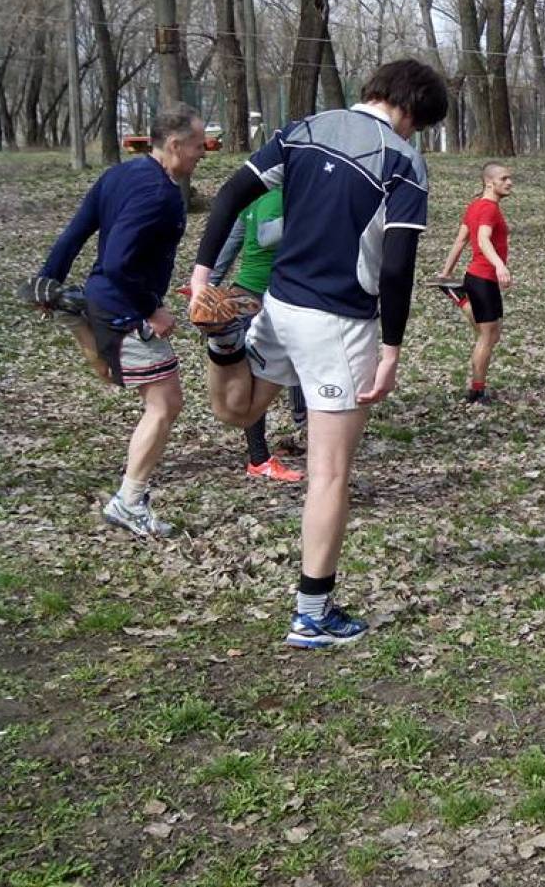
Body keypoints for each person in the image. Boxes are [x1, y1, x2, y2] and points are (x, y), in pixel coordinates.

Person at [187, 58, 448, 648]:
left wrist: (203, 276)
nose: (414, 134)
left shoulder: (302, 129)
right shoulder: (402, 161)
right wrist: (392, 348)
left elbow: (230, 194)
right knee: (329, 474)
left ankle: (225, 344)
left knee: (238, 409)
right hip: (340, 324)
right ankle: (313, 614)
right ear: (410, 110)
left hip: (279, 306)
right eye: (419, 124)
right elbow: (398, 267)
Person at [23, 103, 205, 537]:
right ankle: (129, 502)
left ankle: (75, 315)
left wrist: (47, 280)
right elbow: (120, 262)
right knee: (165, 403)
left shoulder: (120, 174)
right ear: (174, 145)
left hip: (103, 299)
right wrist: (150, 309)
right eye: (199, 145)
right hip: (124, 304)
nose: (203, 153)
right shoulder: (160, 195)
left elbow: (76, 232)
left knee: (123, 376)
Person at [206, 189, 306, 481]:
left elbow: (233, 241)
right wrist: (313, 215)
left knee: (293, 364)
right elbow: (265, 237)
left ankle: (300, 430)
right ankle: (259, 458)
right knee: (258, 376)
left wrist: (209, 283)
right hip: (261, 296)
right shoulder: (276, 194)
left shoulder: (253, 194)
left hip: (266, 294)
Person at [437, 163, 513, 403]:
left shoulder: (474, 206)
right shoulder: (489, 208)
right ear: (489, 182)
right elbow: (482, 239)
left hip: (477, 279)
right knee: (487, 337)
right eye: (504, 178)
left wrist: (446, 273)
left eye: (509, 178)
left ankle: (460, 297)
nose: (509, 183)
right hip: (483, 279)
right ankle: (477, 390)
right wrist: (499, 265)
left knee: (492, 333)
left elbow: (460, 241)